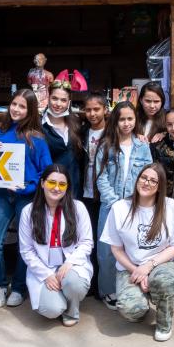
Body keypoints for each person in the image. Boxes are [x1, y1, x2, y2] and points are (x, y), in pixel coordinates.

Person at [0, 89, 53, 308]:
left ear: (30, 111)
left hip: (26, 198)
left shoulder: (37, 139)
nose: (16, 109)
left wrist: (29, 186)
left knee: (25, 243)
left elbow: (46, 172)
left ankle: (19, 287)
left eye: (22, 106)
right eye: (14, 104)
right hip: (3, 196)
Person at [100, 163, 174, 342]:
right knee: (131, 310)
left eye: (153, 181)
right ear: (137, 180)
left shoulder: (171, 206)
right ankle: (142, 304)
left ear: (160, 187)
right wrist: (137, 271)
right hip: (130, 267)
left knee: (165, 281)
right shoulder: (120, 208)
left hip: (162, 263)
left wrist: (149, 266)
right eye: (144, 178)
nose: (146, 182)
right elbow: (116, 249)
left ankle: (164, 323)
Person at [18, 165, 94, 326]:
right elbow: (27, 250)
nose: (57, 188)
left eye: (62, 184)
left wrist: (70, 263)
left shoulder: (78, 208)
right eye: (52, 182)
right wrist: (46, 274)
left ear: (67, 187)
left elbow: (87, 242)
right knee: (51, 310)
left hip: (71, 266)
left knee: (73, 284)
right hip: (45, 267)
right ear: (42, 183)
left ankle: (72, 311)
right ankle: (60, 298)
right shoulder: (28, 212)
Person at [94, 101, 153, 307]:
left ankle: (129, 289)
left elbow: (147, 176)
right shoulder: (106, 145)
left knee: (131, 250)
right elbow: (101, 177)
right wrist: (115, 202)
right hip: (110, 207)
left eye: (130, 119)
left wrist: (136, 202)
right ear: (115, 121)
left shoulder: (143, 146)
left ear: (136, 120)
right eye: (122, 119)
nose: (126, 123)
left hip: (134, 207)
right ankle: (108, 291)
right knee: (106, 252)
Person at [79, 93, 109, 295]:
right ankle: (88, 281)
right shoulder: (82, 132)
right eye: (88, 110)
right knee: (87, 238)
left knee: (103, 240)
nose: (92, 113)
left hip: (104, 194)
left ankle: (101, 284)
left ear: (105, 110)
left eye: (96, 109)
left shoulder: (113, 132)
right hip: (85, 193)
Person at [41, 80, 85, 198]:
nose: (58, 104)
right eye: (54, 98)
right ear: (48, 98)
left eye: (63, 100)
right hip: (51, 189)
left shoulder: (76, 123)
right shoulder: (39, 126)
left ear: (69, 102)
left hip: (74, 189)